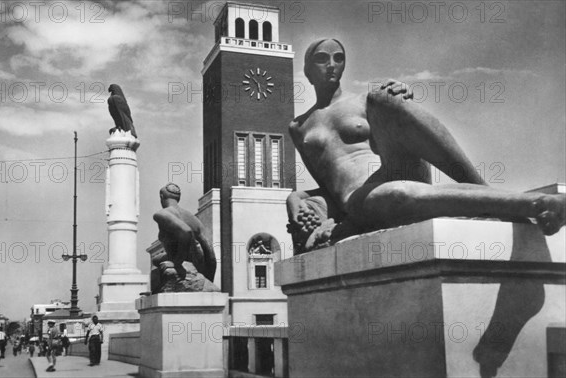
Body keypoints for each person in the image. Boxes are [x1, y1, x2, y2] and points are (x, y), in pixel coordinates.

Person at [286, 39, 566, 252]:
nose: (332, 64)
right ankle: (536, 205)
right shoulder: (299, 128)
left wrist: (397, 101)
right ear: (307, 71)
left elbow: (396, 135)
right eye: (322, 59)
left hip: (393, 169)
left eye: (338, 58)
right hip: (360, 199)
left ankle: (485, 192)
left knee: (383, 97)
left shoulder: (361, 102)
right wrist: (297, 199)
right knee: (394, 194)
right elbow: (328, 186)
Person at [153, 183, 217, 281]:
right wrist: (209, 278)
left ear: (161, 197)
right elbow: (209, 250)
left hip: (181, 261)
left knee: (156, 262)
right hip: (197, 263)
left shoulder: (162, 214)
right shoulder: (192, 218)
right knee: (156, 259)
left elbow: (186, 232)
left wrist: (176, 262)